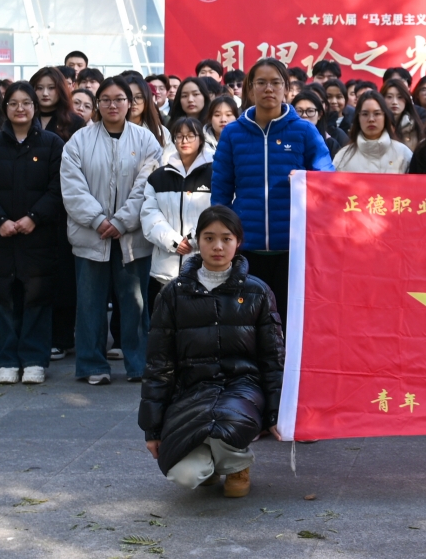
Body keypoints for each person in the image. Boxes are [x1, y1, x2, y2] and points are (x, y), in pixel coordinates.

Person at [140, 205, 284, 497]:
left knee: (226, 417)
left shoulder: (257, 292)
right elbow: (159, 364)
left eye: (226, 238)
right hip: (191, 389)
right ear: (197, 241)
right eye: (209, 238)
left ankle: (237, 464)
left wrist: (275, 413)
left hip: (243, 387)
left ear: (238, 242)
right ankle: (212, 460)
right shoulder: (173, 294)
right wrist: (152, 429)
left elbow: (273, 359)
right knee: (186, 475)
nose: (218, 246)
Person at [209, 58, 334, 311]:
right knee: (249, 318)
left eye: (276, 82)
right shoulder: (233, 133)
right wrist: (224, 234)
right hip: (247, 247)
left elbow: (327, 180)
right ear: (250, 88)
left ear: (286, 88)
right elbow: (221, 189)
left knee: (288, 317)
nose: (269, 88)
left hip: (293, 248)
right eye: (261, 82)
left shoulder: (304, 131)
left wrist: (306, 180)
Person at [62, 75, 164, 386]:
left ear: (130, 103)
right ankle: (92, 364)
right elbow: (72, 188)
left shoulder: (146, 140)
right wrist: (97, 220)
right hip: (90, 234)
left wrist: (121, 221)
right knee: (89, 304)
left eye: (119, 99)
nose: (112, 105)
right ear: (97, 104)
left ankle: (138, 364)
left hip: (132, 236)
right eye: (105, 99)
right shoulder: (79, 140)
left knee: (135, 304)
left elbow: (147, 185)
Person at [0, 81, 66, 385]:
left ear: (35, 107)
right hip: (1, 236)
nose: (20, 108)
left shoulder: (52, 144)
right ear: (5, 108)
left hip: (39, 236)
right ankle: (8, 361)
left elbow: (58, 188)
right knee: (6, 298)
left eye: (26, 103)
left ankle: (35, 360)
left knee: (37, 298)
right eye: (13, 103)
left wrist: (34, 217)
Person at [141, 117, 216, 293]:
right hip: (167, 266)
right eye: (179, 136)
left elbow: (219, 213)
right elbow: (149, 214)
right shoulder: (158, 177)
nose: (184, 141)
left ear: (201, 139)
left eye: (190, 135)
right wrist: (173, 241)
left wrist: (193, 239)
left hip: (204, 261)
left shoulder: (216, 174)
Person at [334, 92, 415, 174]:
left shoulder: (403, 154)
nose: (371, 119)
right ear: (358, 118)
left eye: (377, 114)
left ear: (385, 117)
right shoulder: (343, 158)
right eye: (365, 114)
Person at [30, 67, 85, 142]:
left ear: (61, 89)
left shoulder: (76, 122)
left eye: (51, 88)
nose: (45, 93)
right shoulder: (25, 118)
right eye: (39, 88)